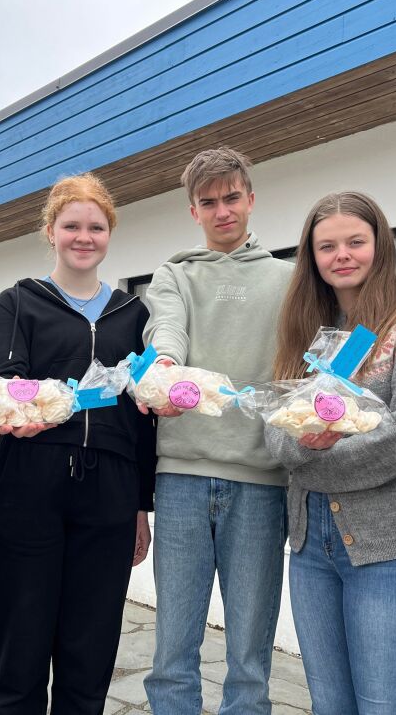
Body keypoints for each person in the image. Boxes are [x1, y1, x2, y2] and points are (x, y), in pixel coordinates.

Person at [263, 192, 396, 714]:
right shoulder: (305, 328)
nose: (342, 255)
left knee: (383, 706)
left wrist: (310, 454)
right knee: (329, 704)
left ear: (380, 245)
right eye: (327, 246)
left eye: (355, 242)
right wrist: (302, 442)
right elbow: (277, 432)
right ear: (312, 257)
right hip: (309, 544)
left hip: (389, 544)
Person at [0, 173, 156, 714]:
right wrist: (28, 408)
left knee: (91, 643)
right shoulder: (19, 301)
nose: (84, 237)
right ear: (50, 231)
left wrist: (140, 505)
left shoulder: (134, 313)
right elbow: (3, 382)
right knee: (22, 640)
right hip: (29, 481)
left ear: (110, 234)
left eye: (96, 227)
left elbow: (144, 417)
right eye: (71, 225)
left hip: (109, 490)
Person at [141, 147, 292, 714]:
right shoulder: (175, 274)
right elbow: (167, 330)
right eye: (209, 202)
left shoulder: (291, 277)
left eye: (232, 198)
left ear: (251, 199)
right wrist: (165, 370)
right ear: (193, 211)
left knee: (250, 658)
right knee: (172, 651)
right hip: (180, 477)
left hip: (262, 480)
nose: (223, 210)